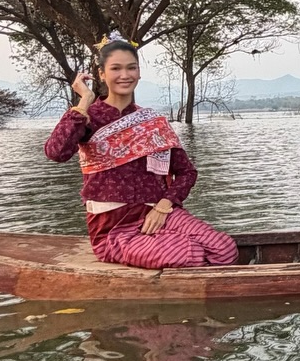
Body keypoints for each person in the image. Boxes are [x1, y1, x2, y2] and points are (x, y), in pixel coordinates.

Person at [44, 32, 238, 269]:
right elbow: (56, 152)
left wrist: (164, 205)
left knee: (224, 249)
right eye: (115, 68)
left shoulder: (151, 121)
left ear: (139, 72)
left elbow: (187, 172)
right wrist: (84, 101)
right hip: (114, 228)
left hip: (158, 213)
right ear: (102, 74)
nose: (124, 75)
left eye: (131, 68)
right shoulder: (89, 117)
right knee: (189, 255)